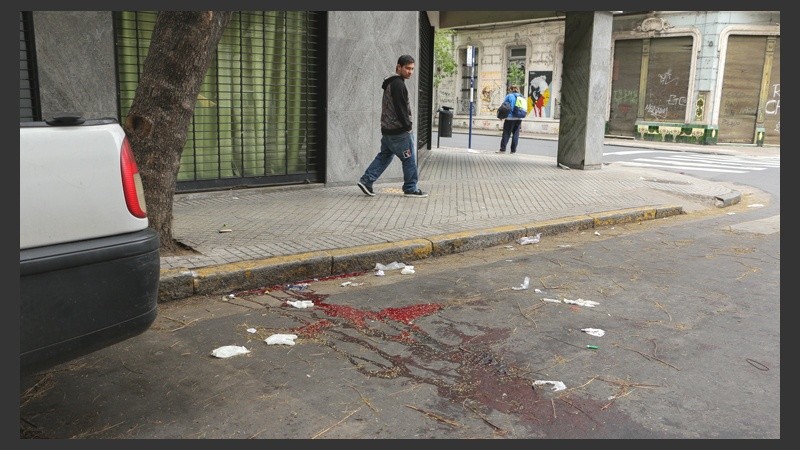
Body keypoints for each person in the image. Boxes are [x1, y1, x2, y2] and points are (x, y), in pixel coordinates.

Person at [357, 55, 428, 198]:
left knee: (385, 156)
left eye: (412, 69)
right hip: (399, 132)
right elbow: (400, 108)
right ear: (399, 67)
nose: (410, 72)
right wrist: (408, 126)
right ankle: (410, 188)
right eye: (407, 68)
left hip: (388, 130)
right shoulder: (398, 84)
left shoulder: (391, 83)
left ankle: (367, 180)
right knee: (409, 159)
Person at [498, 85, 524, 154]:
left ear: (511, 89)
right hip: (519, 118)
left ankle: (502, 149)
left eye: (509, 89)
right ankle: (513, 151)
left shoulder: (509, 96)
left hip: (510, 118)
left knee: (506, 134)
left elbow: (504, 106)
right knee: (516, 135)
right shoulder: (521, 96)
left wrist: (501, 116)